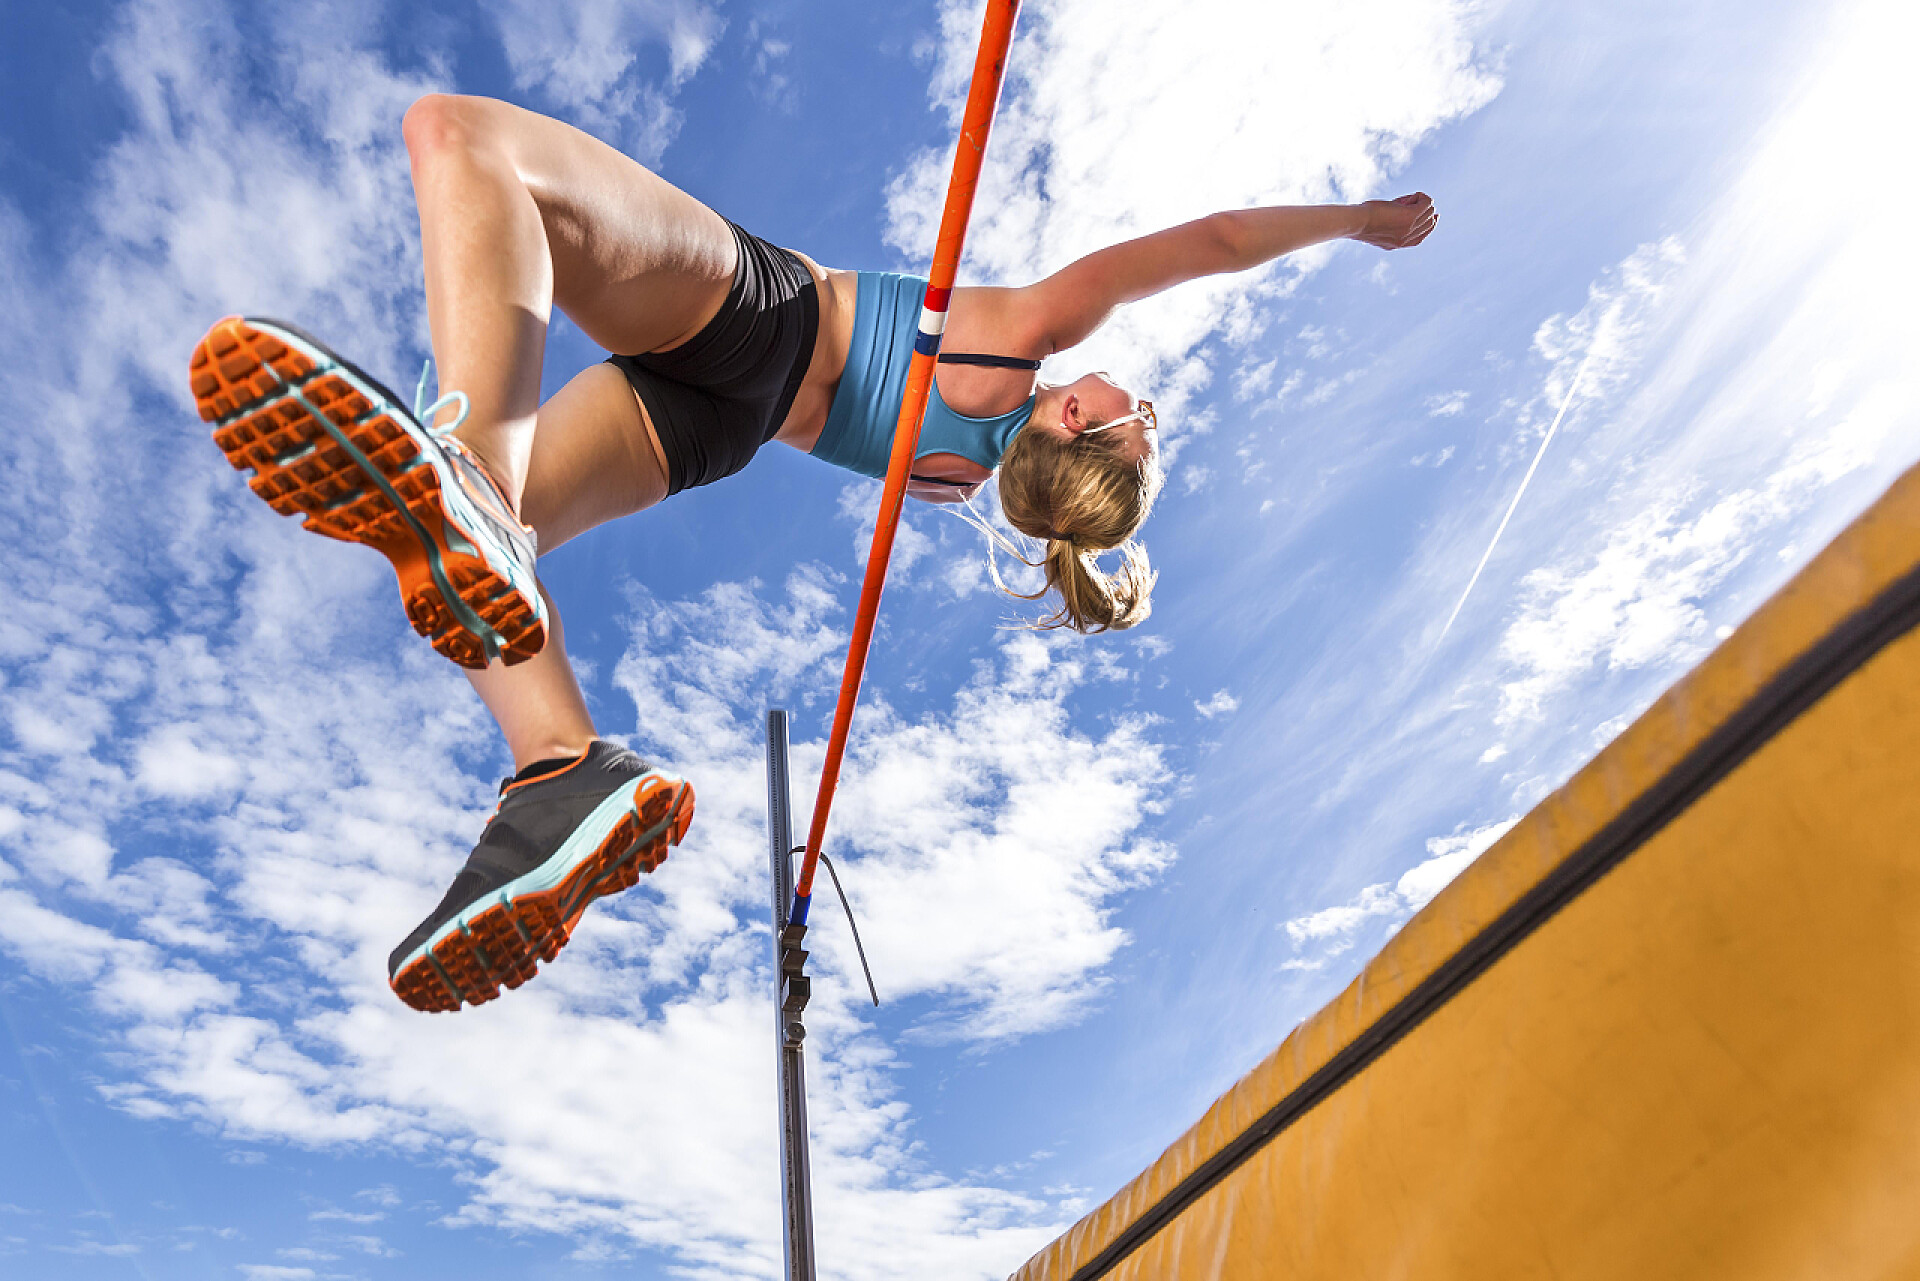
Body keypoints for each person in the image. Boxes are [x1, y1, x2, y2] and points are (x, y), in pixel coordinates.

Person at [189, 95, 1437, 1013]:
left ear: (1074, 419)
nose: (1140, 401)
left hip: (761, 322)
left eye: (1139, 422)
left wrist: (1358, 219)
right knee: (470, 544)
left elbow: (1213, 241)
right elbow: (1045, 492)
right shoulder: (962, 480)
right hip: (713, 425)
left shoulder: (1021, 344)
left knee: (465, 142)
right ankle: (558, 765)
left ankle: (463, 463)